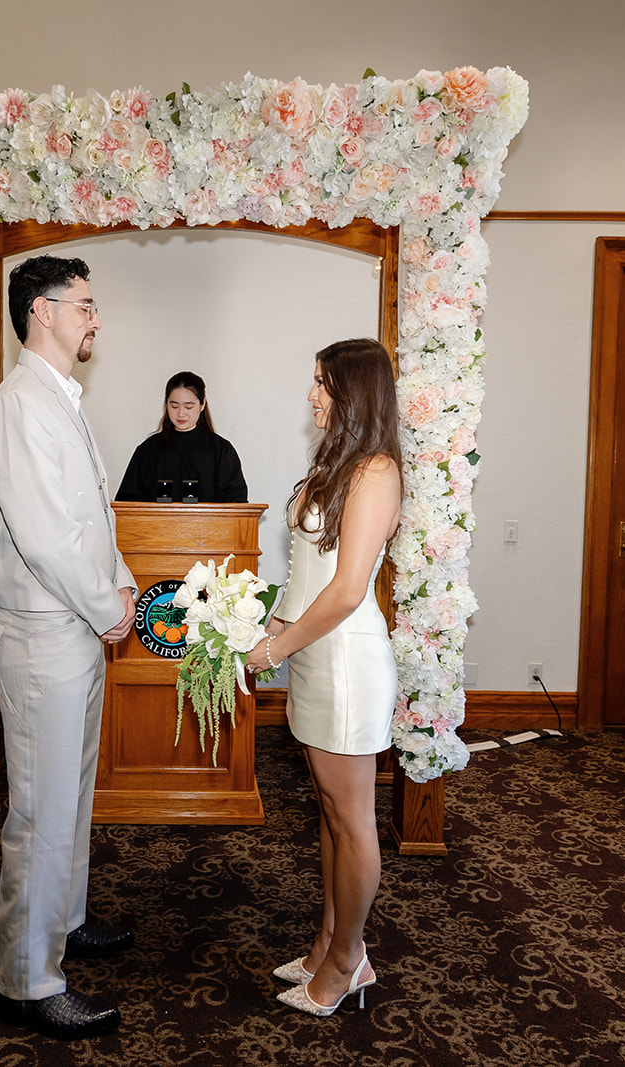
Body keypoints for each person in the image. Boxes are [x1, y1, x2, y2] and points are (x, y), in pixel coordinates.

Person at [0, 254, 139, 1041]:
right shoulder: (16, 407)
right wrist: (110, 607)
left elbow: (90, 521)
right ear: (40, 310)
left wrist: (125, 584)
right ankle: (27, 981)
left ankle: (64, 921)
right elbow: (46, 537)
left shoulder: (59, 400)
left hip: (76, 624)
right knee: (40, 811)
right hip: (44, 634)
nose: (94, 318)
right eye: (84, 304)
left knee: (71, 797)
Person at [243, 337, 403, 1017]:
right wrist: (267, 630)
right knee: (331, 815)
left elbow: (343, 591)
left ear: (353, 391)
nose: (311, 394)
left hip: (345, 661)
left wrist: (277, 650)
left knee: (353, 818)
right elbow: (305, 578)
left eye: (321, 383)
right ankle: (326, 942)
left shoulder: (376, 471)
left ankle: (348, 962)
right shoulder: (338, 463)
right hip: (312, 652)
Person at [114, 371, 247, 503]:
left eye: (189, 406)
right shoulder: (149, 450)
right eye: (174, 406)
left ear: (202, 404)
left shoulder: (220, 450)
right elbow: (127, 502)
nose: (181, 413)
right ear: (166, 404)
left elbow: (237, 504)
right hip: (158, 524)